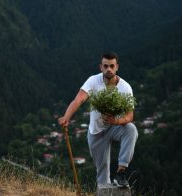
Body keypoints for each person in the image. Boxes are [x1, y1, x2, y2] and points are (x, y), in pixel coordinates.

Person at [58, 51, 138, 187]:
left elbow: (130, 116)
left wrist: (116, 121)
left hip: (115, 126)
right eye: (106, 66)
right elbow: (78, 100)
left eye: (112, 66)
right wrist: (66, 117)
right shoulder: (93, 81)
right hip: (96, 132)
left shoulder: (125, 87)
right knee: (102, 172)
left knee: (131, 129)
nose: (109, 69)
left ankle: (121, 172)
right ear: (100, 67)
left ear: (117, 67)